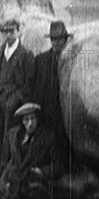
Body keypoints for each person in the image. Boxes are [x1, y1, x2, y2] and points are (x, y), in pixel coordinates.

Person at [0, 18, 35, 186]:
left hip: (13, 102)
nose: (8, 35)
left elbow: (29, 84)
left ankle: (3, 179)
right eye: (4, 32)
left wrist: (15, 99)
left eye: (11, 31)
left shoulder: (26, 55)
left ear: (18, 32)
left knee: (8, 141)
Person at [32, 20, 72, 155]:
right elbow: (36, 87)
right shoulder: (40, 60)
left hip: (64, 111)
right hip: (46, 110)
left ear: (66, 40)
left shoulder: (72, 60)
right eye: (53, 39)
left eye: (60, 39)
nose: (56, 43)